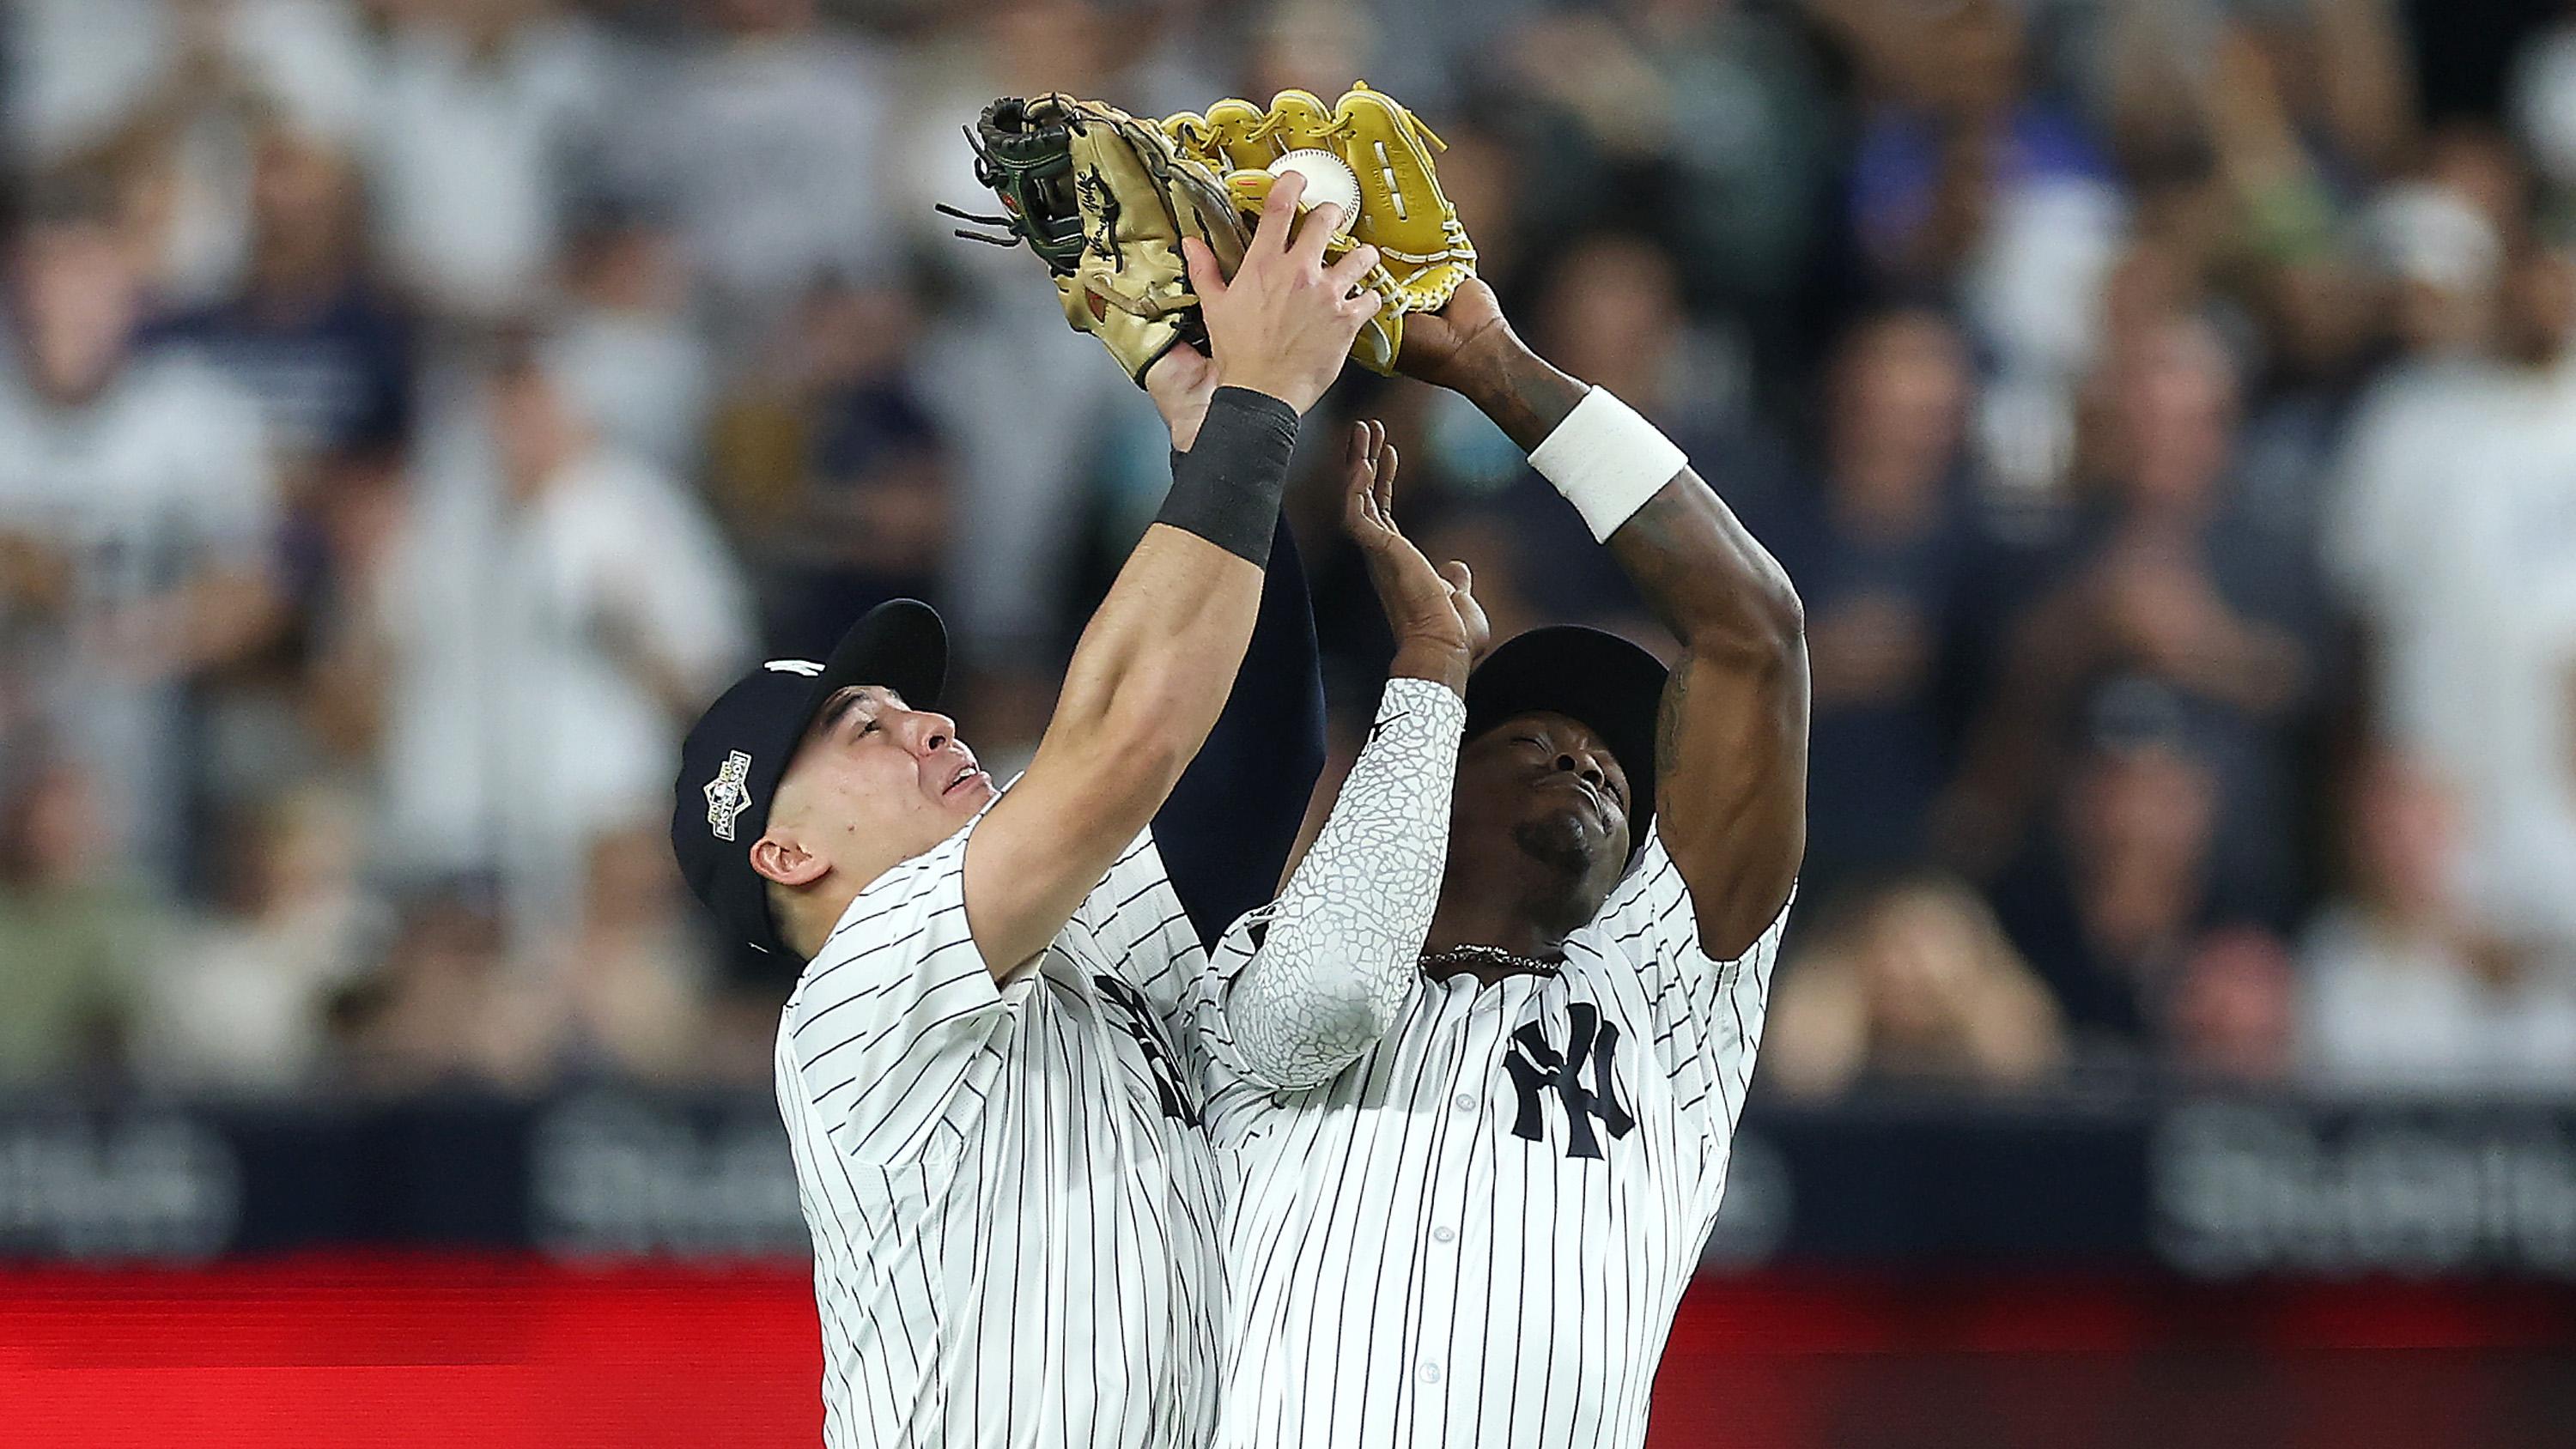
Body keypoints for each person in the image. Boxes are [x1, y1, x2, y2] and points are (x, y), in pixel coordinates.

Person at [671, 181, 1435, 1448]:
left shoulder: (1059, 936)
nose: (929, 722)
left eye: (908, 705)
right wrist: (1259, 409)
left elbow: (1244, 767)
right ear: (787, 852)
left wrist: (1205, 432)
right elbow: (1129, 735)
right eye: (864, 730)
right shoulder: (854, 999)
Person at [1179, 274, 1808, 1449]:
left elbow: (1753, 630)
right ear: (1432, 779)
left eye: (1615, 770)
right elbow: (1324, 1000)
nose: (1584, 760)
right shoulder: (1266, 961)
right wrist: (1428, 666)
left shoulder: (1667, 1005)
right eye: (1531, 739)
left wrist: (1493, 369)